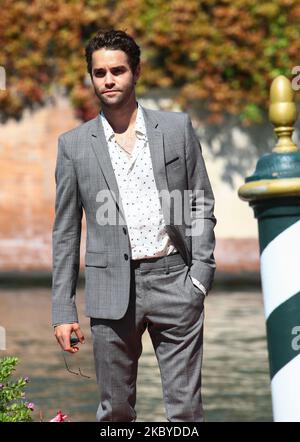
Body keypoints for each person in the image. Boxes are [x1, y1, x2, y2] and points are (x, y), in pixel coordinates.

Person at [52, 29, 216, 422]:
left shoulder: (176, 129)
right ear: (91, 77)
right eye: (99, 72)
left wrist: (200, 276)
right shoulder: (73, 145)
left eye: (118, 70)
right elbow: (66, 232)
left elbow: (201, 202)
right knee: (116, 412)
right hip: (110, 292)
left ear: (136, 72)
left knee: (186, 412)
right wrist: (63, 309)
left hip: (176, 281)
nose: (108, 80)